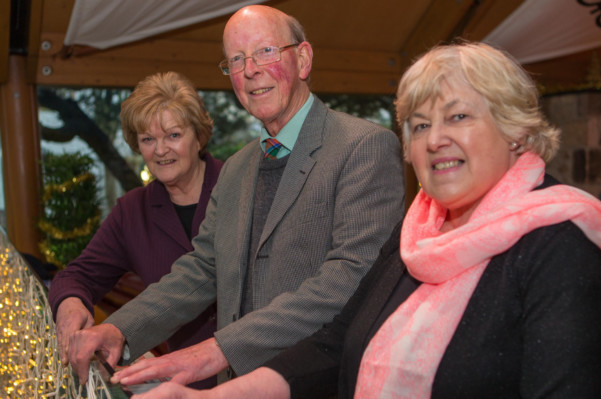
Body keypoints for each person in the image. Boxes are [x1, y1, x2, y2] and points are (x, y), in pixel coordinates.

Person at [133, 42, 601, 398]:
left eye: (458, 117)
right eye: (419, 125)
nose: (434, 140)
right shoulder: (416, 231)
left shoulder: (563, 244)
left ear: (515, 130)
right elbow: (334, 344)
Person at [67, 4, 404, 388]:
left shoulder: (363, 147)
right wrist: (120, 330)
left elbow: (350, 278)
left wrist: (218, 349)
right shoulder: (238, 168)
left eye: (266, 51)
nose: (251, 70)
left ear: (303, 58)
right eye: (236, 60)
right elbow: (205, 267)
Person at [48, 71, 223, 389]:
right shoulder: (133, 210)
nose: (160, 150)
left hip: (260, 376)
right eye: (148, 139)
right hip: (183, 384)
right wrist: (70, 303)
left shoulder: (239, 187)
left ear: (198, 136)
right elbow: (77, 276)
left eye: (173, 135)